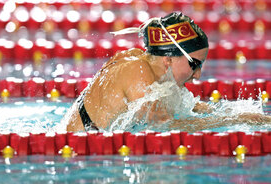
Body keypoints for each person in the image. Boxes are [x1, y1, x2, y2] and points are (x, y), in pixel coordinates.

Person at [64, 12, 271, 133]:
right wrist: (235, 120)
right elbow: (163, 124)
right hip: (76, 155)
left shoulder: (149, 65)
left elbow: (181, 105)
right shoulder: (137, 71)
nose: (198, 75)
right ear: (169, 58)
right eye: (194, 64)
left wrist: (233, 111)